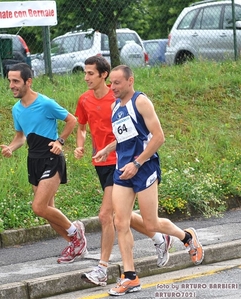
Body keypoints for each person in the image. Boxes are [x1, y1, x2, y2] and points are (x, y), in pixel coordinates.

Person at [93, 65, 204, 296]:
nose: (112, 87)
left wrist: (137, 163)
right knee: (120, 221)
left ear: (130, 81)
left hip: (144, 167)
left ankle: (186, 237)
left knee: (150, 223)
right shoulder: (115, 107)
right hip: (123, 168)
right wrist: (107, 148)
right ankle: (130, 276)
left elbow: (158, 137)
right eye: (111, 83)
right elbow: (126, 138)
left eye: (117, 83)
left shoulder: (141, 102)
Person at [74, 56, 173, 287]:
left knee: (106, 216)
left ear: (104, 75)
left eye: (90, 73)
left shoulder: (123, 97)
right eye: (85, 73)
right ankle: (160, 236)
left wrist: (136, 161)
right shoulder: (86, 100)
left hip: (123, 162)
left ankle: (103, 268)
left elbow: (148, 135)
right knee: (123, 218)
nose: (86, 77)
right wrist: (81, 145)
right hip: (103, 162)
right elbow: (82, 128)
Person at [0, 62, 88, 264]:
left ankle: (76, 233)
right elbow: (20, 137)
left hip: (51, 158)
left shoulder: (45, 103)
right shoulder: (16, 109)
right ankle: (75, 244)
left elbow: (72, 120)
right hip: (34, 160)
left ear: (28, 82)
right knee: (49, 211)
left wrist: (60, 141)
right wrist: (11, 148)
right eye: (10, 81)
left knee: (39, 207)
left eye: (16, 81)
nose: (12, 85)